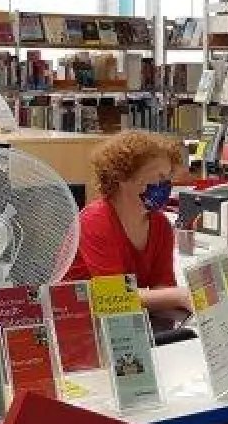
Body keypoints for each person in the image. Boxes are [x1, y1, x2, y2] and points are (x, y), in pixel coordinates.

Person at [65, 130, 191, 315]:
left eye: (169, 177)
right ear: (122, 177)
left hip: (122, 318)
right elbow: (114, 295)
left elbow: (162, 287)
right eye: (160, 176)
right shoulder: (94, 221)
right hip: (77, 319)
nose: (166, 185)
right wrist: (180, 296)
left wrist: (179, 297)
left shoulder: (160, 224)